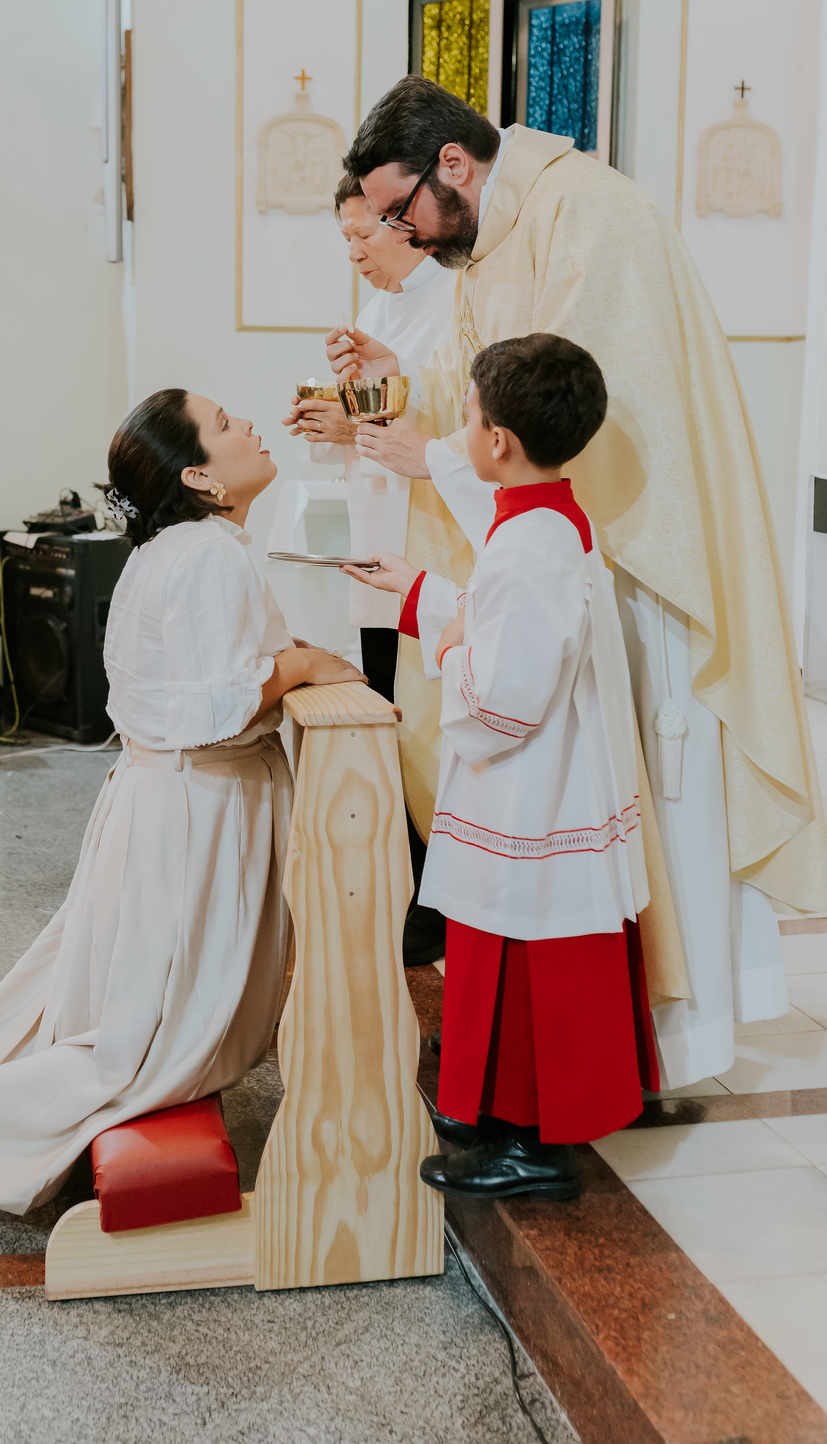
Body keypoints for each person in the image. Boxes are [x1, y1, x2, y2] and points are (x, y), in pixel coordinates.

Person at [332, 75, 826, 1090]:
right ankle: (588, 1041)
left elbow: (575, 420)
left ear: (452, 165)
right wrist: (401, 383)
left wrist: (437, 460)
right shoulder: (494, 235)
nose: (402, 233)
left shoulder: (590, 215)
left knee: (629, 808)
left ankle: (662, 1034)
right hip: (559, 564)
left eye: (400, 210)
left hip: (631, 562)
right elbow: (479, 392)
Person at [0, 389, 364, 1232]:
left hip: (167, 800)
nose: (248, 426)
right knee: (171, 1045)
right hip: (200, 810)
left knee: (110, 1014)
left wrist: (292, 656)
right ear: (199, 475)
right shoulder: (208, 555)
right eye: (225, 424)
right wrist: (305, 664)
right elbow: (218, 706)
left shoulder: (177, 549)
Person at [347, 335, 658, 1201]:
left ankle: (534, 1145)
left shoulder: (528, 545)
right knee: (506, 949)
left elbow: (504, 702)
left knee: (527, 953)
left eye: (470, 413)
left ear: (498, 441)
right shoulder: (547, 521)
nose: (464, 425)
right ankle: (494, 1106)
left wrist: (450, 650)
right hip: (547, 781)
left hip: (531, 792)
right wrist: (421, 594)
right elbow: (507, 623)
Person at [284, 171, 455, 966]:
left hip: (428, 540)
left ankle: (437, 900)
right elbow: (371, 424)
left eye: (361, 235)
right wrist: (331, 419)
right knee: (392, 714)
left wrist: (355, 424)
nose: (353, 252)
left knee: (424, 721)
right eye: (345, 239)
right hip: (379, 534)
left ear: (403, 222)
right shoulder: (379, 310)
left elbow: (442, 426)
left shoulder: (453, 301)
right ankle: (410, 883)